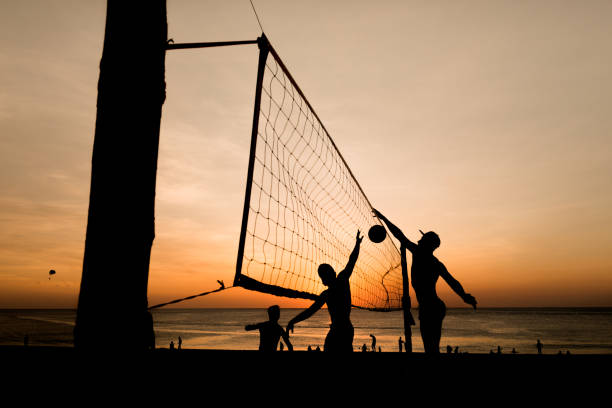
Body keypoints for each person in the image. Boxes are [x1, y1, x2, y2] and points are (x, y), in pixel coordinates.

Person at [372, 209, 477, 354]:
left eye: (422, 239)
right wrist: (464, 296)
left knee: (431, 348)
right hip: (433, 307)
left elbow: (399, 234)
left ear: (426, 244)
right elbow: (453, 282)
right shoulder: (435, 262)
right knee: (431, 348)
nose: (418, 240)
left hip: (431, 307)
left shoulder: (419, 253)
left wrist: (383, 218)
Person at [287, 230, 363, 352]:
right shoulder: (341, 281)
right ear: (333, 273)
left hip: (339, 330)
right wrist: (357, 244)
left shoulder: (329, 292)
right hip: (346, 329)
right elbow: (351, 261)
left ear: (323, 281)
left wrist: (293, 321)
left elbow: (310, 311)